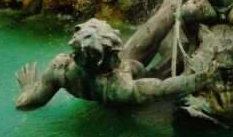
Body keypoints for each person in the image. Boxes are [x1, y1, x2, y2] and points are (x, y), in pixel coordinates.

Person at [14, 18, 210, 109]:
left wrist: (29, 88)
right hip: (143, 74)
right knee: (174, 41)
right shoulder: (120, 85)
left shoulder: (60, 69)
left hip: (125, 69)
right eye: (114, 51)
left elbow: (27, 103)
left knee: (162, 23)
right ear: (106, 56)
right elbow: (162, 88)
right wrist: (205, 78)